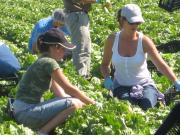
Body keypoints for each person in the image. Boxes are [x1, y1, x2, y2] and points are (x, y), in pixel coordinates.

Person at [13, 28, 97, 135]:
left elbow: (61, 95)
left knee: (74, 102)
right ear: (55, 47)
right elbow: (69, 89)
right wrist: (93, 104)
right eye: (63, 48)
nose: (65, 52)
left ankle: (42, 130)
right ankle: (42, 132)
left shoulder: (42, 60)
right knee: (75, 103)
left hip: (20, 112)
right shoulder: (49, 63)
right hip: (26, 113)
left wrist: (81, 104)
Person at [100, 4, 180, 110]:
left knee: (146, 106)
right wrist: (107, 78)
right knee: (128, 106)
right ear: (122, 20)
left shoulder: (144, 41)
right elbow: (104, 65)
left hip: (145, 84)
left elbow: (160, 64)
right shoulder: (112, 40)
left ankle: (156, 96)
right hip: (121, 86)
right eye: (132, 22)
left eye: (138, 22)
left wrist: (175, 81)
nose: (135, 25)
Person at [62, 0, 111, 78]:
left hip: (78, 16)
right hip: (76, 16)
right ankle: (81, 78)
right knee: (81, 49)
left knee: (85, 48)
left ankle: (85, 76)